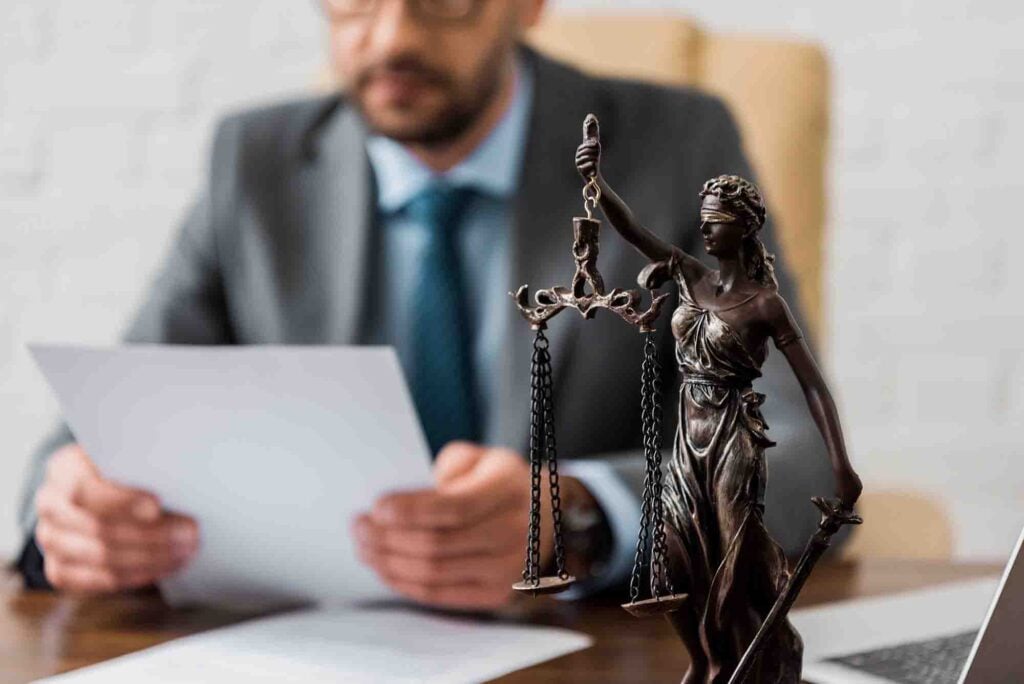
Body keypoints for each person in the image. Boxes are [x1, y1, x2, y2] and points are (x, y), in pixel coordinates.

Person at [15, 0, 841, 612]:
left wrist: (581, 517)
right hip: (309, 644)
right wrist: (71, 515)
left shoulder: (672, 145)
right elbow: (87, 438)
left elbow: (799, 454)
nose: (393, 37)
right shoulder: (255, 161)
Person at [576, 138, 862, 679]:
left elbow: (813, 387)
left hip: (734, 440)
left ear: (743, 227)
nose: (703, 230)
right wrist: (598, 183)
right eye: (703, 221)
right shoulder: (689, 274)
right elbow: (633, 229)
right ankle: (705, 661)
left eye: (714, 222)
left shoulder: (764, 304)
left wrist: (840, 466)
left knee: (734, 564)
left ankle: (759, 663)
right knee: (678, 555)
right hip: (687, 442)